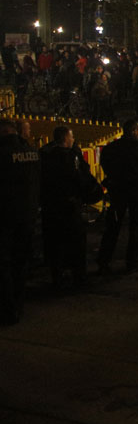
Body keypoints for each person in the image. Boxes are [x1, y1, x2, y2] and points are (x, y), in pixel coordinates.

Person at [40, 126, 102, 289]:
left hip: (51, 207)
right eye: (72, 137)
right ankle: (79, 277)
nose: (74, 139)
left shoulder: (45, 155)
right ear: (66, 139)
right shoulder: (70, 157)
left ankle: (57, 277)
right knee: (76, 243)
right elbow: (80, 179)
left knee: (55, 244)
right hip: (69, 206)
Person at [97, 119, 138, 274]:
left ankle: (104, 260)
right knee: (137, 228)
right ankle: (132, 261)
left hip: (118, 191)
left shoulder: (112, 148)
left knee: (112, 227)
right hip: (137, 192)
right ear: (135, 131)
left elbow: (104, 163)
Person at [0, 119, 41, 325]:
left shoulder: (3, 154)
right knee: (21, 262)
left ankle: (8, 308)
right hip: (28, 215)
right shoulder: (32, 152)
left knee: (4, 263)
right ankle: (19, 304)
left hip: (6, 217)